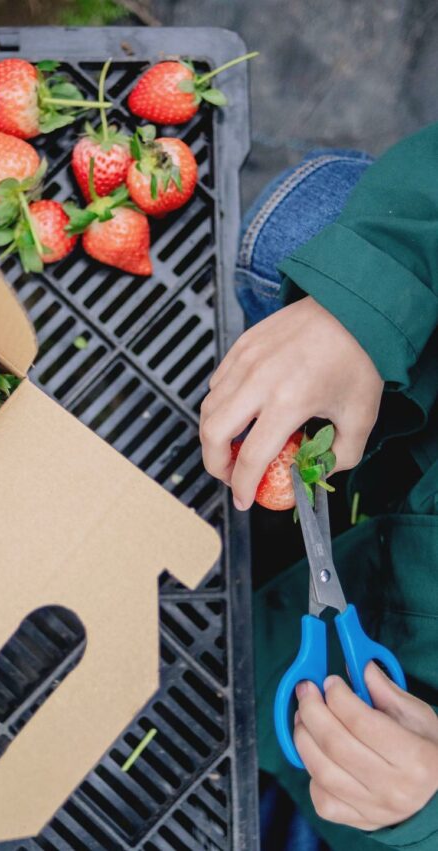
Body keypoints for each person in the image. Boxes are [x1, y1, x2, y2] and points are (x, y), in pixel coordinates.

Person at [200, 127, 438, 850]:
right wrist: (364, 306)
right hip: (401, 453)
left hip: (370, 751)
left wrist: (426, 815)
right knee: (301, 228)